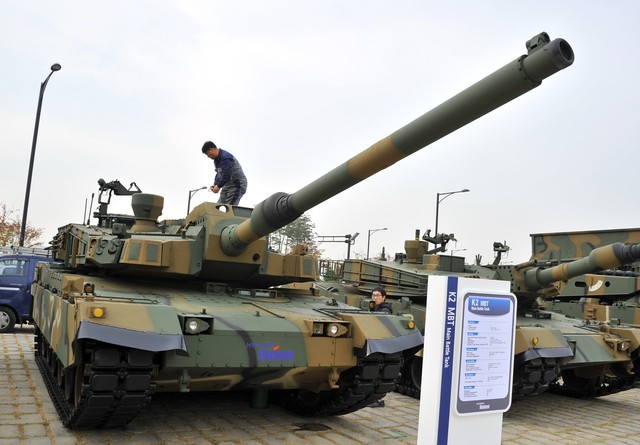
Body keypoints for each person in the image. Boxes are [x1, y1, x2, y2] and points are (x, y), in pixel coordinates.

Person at [201, 141, 248, 205]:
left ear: (211, 150)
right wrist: (215, 184)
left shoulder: (225, 157)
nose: (208, 156)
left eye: (207, 154)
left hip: (237, 185)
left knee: (229, 208)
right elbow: (218, 174)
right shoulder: (217, 160)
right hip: (227, 185)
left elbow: (227, 174)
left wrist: (218, 186)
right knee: (218, 207)